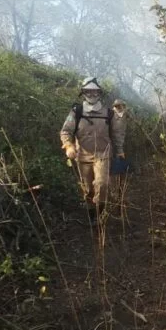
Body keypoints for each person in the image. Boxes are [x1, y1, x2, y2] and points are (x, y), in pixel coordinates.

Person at [60, 77, 127, 224]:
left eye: (95, 91)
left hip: (103, 155)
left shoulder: (108, 113)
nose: (92, 95)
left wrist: (120, 150)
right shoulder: (76, 111)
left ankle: (99, 215)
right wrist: (69, 146)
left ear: (99, 93)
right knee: (88, 189)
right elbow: (66, 131)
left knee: (102, 184)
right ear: (83, 93)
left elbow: (117, 133)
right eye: (88, 91)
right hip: (83, 156)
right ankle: (92, 217)